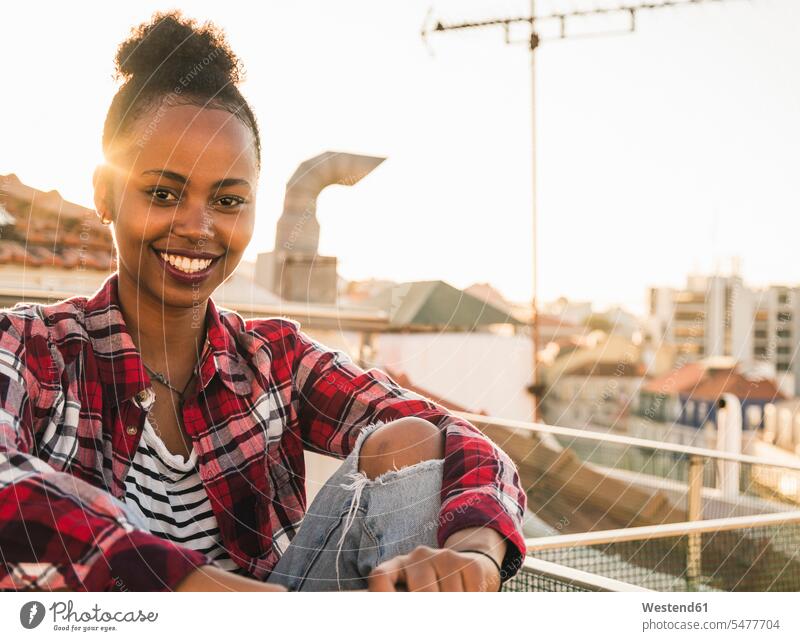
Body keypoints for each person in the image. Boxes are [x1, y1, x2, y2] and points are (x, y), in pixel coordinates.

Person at [0, 11, 527, 592]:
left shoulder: (274, 358)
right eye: (162, 192)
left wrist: (476, 550)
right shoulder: (31, 348)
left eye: (227, 201)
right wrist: (190, 587)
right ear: (106, 193)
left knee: (411, 443)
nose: (198, 227)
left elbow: (457, 437)